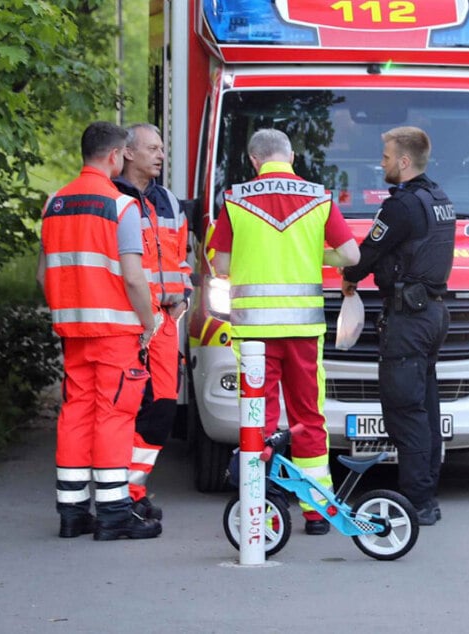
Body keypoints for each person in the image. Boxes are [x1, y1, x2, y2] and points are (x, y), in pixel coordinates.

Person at [209, 128, 359, 536]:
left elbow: (221, 265)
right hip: (303, 330)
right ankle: (316, 512)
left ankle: (265, 502)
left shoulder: (236, 199)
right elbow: (351, 254)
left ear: (254, 160)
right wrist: (317, 255)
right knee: (308, 415)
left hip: (253, 332)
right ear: (290, 156)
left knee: (259, 417)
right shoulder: (319, 197)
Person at [38, 122, 162, 541]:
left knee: (76, 413)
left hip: (73, 331)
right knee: (113, 415)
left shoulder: (54, 204)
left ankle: (72, 512)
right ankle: (113, 512)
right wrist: (150, 322)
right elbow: (132, 278)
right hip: (114, 332)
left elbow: (44, 275)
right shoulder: (120, 207)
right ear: (115, 156)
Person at [341, 126, 455, 526]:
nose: (382, 163)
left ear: (404, 162)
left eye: (387, 157)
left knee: (406, 412)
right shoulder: (438, 198)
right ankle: (427, 496)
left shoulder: (402, 206)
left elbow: (368, 252)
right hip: (431, 315)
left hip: (408, 320)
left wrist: (349, 274)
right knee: (424, 408)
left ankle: (416, 502)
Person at [113, 123, 192, 522]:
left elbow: (181, 257)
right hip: (123, 319)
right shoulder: (111, 198)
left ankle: (132, 488)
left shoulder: (170, 203)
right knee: (123, 407)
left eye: (163, 148)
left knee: (162, 407)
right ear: (128, 153)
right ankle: (121, 495)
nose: (161, 155)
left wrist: (185, 292)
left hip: (164, 320)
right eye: (153, 148)